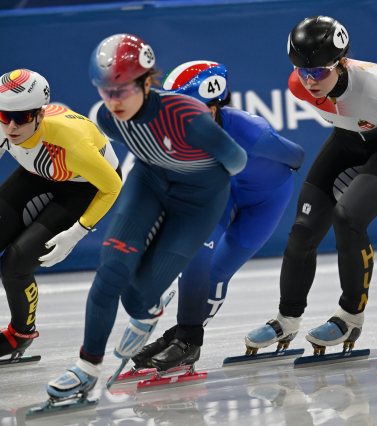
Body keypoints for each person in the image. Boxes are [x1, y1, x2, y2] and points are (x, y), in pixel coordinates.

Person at [45, 34, 247, 401]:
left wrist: (195, 176)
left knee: (139, 298)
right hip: (149, 184)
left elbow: (237, 161)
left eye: (122, 90)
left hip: (198, 204)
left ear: (146, 82)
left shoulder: (189, 117)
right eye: (105, 90)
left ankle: (148, 309)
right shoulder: (107, 117)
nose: (113, 101)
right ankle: (86, 368)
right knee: (110, 273)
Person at [245, 15, 377, 355]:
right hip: (349, 141)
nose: (310, 81)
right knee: (302, 230)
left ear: (342, 62)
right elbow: (337, 109)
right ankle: (286, 319)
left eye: (320, 72)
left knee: (348, 218)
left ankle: (350, 316)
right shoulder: (298, 84)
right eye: (304, 72)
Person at [130, 61, 305, 370]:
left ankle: (183, 338)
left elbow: (297, 156)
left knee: (218, 272)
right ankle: (185, 337)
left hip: (265, 202)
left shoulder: (251, 131)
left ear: (211, 110)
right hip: (223, 192)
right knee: (194, 254)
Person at [0, 69, 122, 360]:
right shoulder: (5, 126)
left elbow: (113, 187)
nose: (12, 126)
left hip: (84, 187)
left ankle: (20, 335)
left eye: (22, 117)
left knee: (16, 262)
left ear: (40, 115)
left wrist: (77, 232)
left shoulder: (72, 142)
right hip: (40, 173)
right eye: (4, 116)